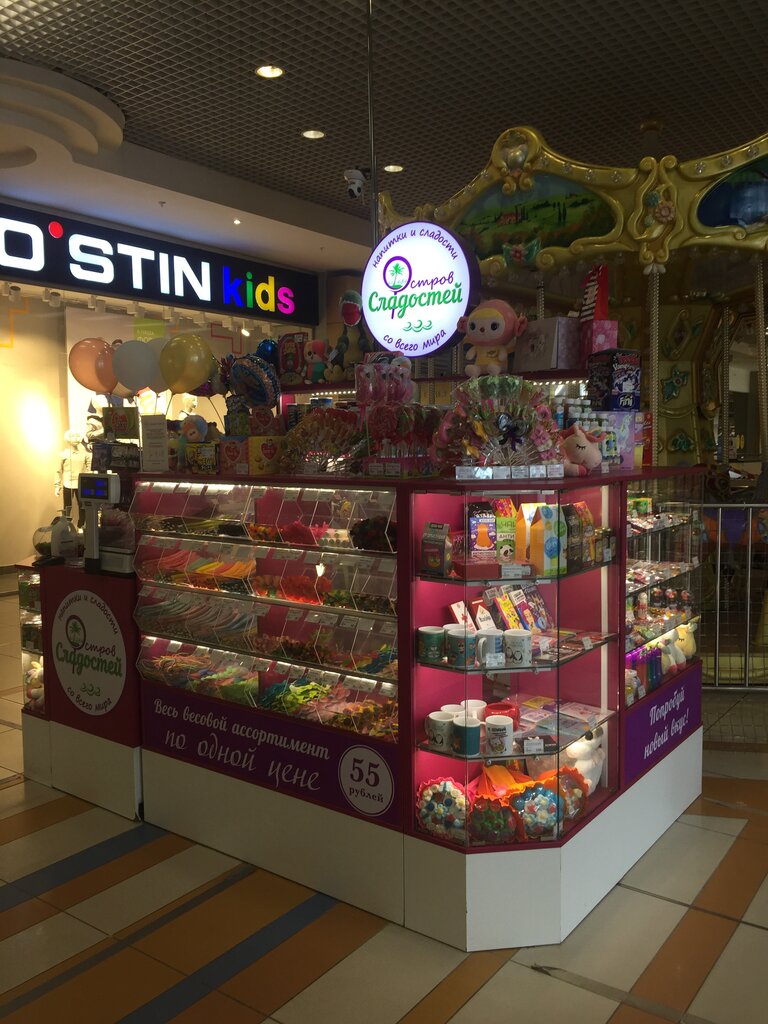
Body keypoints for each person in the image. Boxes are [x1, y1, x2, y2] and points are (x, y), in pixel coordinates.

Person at [54, 430, 90, 527]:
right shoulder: (63, 454)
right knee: (67, 507)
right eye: (73, 436)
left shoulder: (84, 454)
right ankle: (67, 526)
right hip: (68, 484)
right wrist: (57, 486)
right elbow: (58, 470)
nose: (75, 439)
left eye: (77, 436)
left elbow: (89, 468)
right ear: (68, 438)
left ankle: (81, 525)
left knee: (82, 506)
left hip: (81, 484)